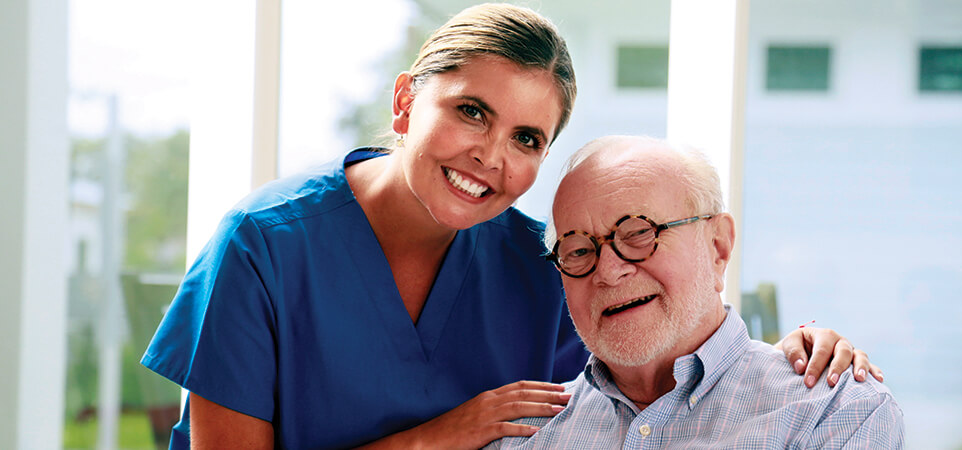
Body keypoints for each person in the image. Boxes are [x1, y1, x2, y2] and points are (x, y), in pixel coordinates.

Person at [141, 4, 879, 449]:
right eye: (471, 111)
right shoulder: (264, 246)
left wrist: (789, 355)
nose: (491, 157)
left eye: (528, 139)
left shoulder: (550, 266)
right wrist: (441, 438)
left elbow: (666, 385)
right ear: (404, 104)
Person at [489, 136, 904, 449]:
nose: (609, 271)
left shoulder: (835, 412)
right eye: (578, 251)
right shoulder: (518, 435)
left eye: (638, 233)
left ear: (718, 246)